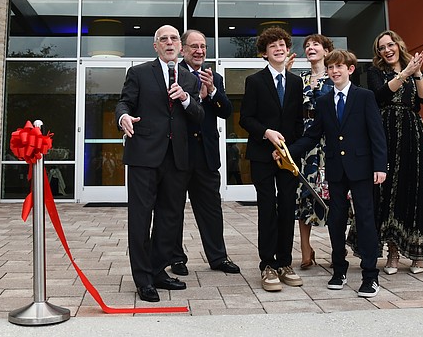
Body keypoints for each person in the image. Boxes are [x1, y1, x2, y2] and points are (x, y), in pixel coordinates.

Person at [115, 25, 204, 302]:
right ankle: (143, 279)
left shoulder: (189, 80)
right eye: (163, 39)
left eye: (174, 39)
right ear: (155, 46)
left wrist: (187, 99)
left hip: (176, 158)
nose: (169, 42)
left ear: (180, 46)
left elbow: (199, 116)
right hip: (144, 156)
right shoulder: (139, 72)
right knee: (141, 219)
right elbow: (124, 103)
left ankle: (157, 270)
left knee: (169, 219)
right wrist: (123, 118)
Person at [289, 49, 387, 298]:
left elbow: (376, 133)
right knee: (336, 220)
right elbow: (313, 135)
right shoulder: (323, 101)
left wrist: (380, 166)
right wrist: (288, 152)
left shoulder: (364, 97)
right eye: (331, 67)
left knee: (365, 220)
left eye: (339, 67)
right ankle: (339, 270)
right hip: (335, 169)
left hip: (363, 169)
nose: (334, 71)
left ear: (350, 69)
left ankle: (369, 275)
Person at [369, 30, 423, 275]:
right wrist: (405, 73)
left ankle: (417, 253)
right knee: (388, 192)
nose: (387, 50)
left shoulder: (415, 70)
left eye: (390, 45)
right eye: (382, 47)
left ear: (399, 45)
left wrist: (418, 73)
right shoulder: (375, 73)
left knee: (415, 191)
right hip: (386, 135)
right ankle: (392, 253)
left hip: (413, 137)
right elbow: (381, 95)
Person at [169, 29, 241, 276]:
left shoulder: (215, 77)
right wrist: (195, 99)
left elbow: (226, 111)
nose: (199, 51)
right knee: (174, 209)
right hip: (179, 154)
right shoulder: (172, 75)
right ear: (183, 49)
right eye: (194, 47)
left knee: (211, 209)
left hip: (207, 156)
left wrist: (212, 93)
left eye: (203, 47)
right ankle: (176, 258)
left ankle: (218, 257)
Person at [238, 26, 304, 292]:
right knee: (268, 208)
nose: (278, 48)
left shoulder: (297, 82)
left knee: (288, 207)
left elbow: (298, 122)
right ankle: (267, 265)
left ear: (287, 49)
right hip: (262, 155)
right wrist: (267, 134)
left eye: (282, 45)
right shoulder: (254, 81)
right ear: (264, 54)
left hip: (287, 157)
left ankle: (285, 263)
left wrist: (288, 150)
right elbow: (246, 119)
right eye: (272, 46)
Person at [293, 34, 334, 269]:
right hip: (305, 141)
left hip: (329, 141)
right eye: (307, 46)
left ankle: (335, 245)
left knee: (329, 194)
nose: (310, 48)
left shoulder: (335, 75)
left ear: (326, 50)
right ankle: (306, 249)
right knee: (304, 193)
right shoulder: (301, 79)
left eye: (315, 44)